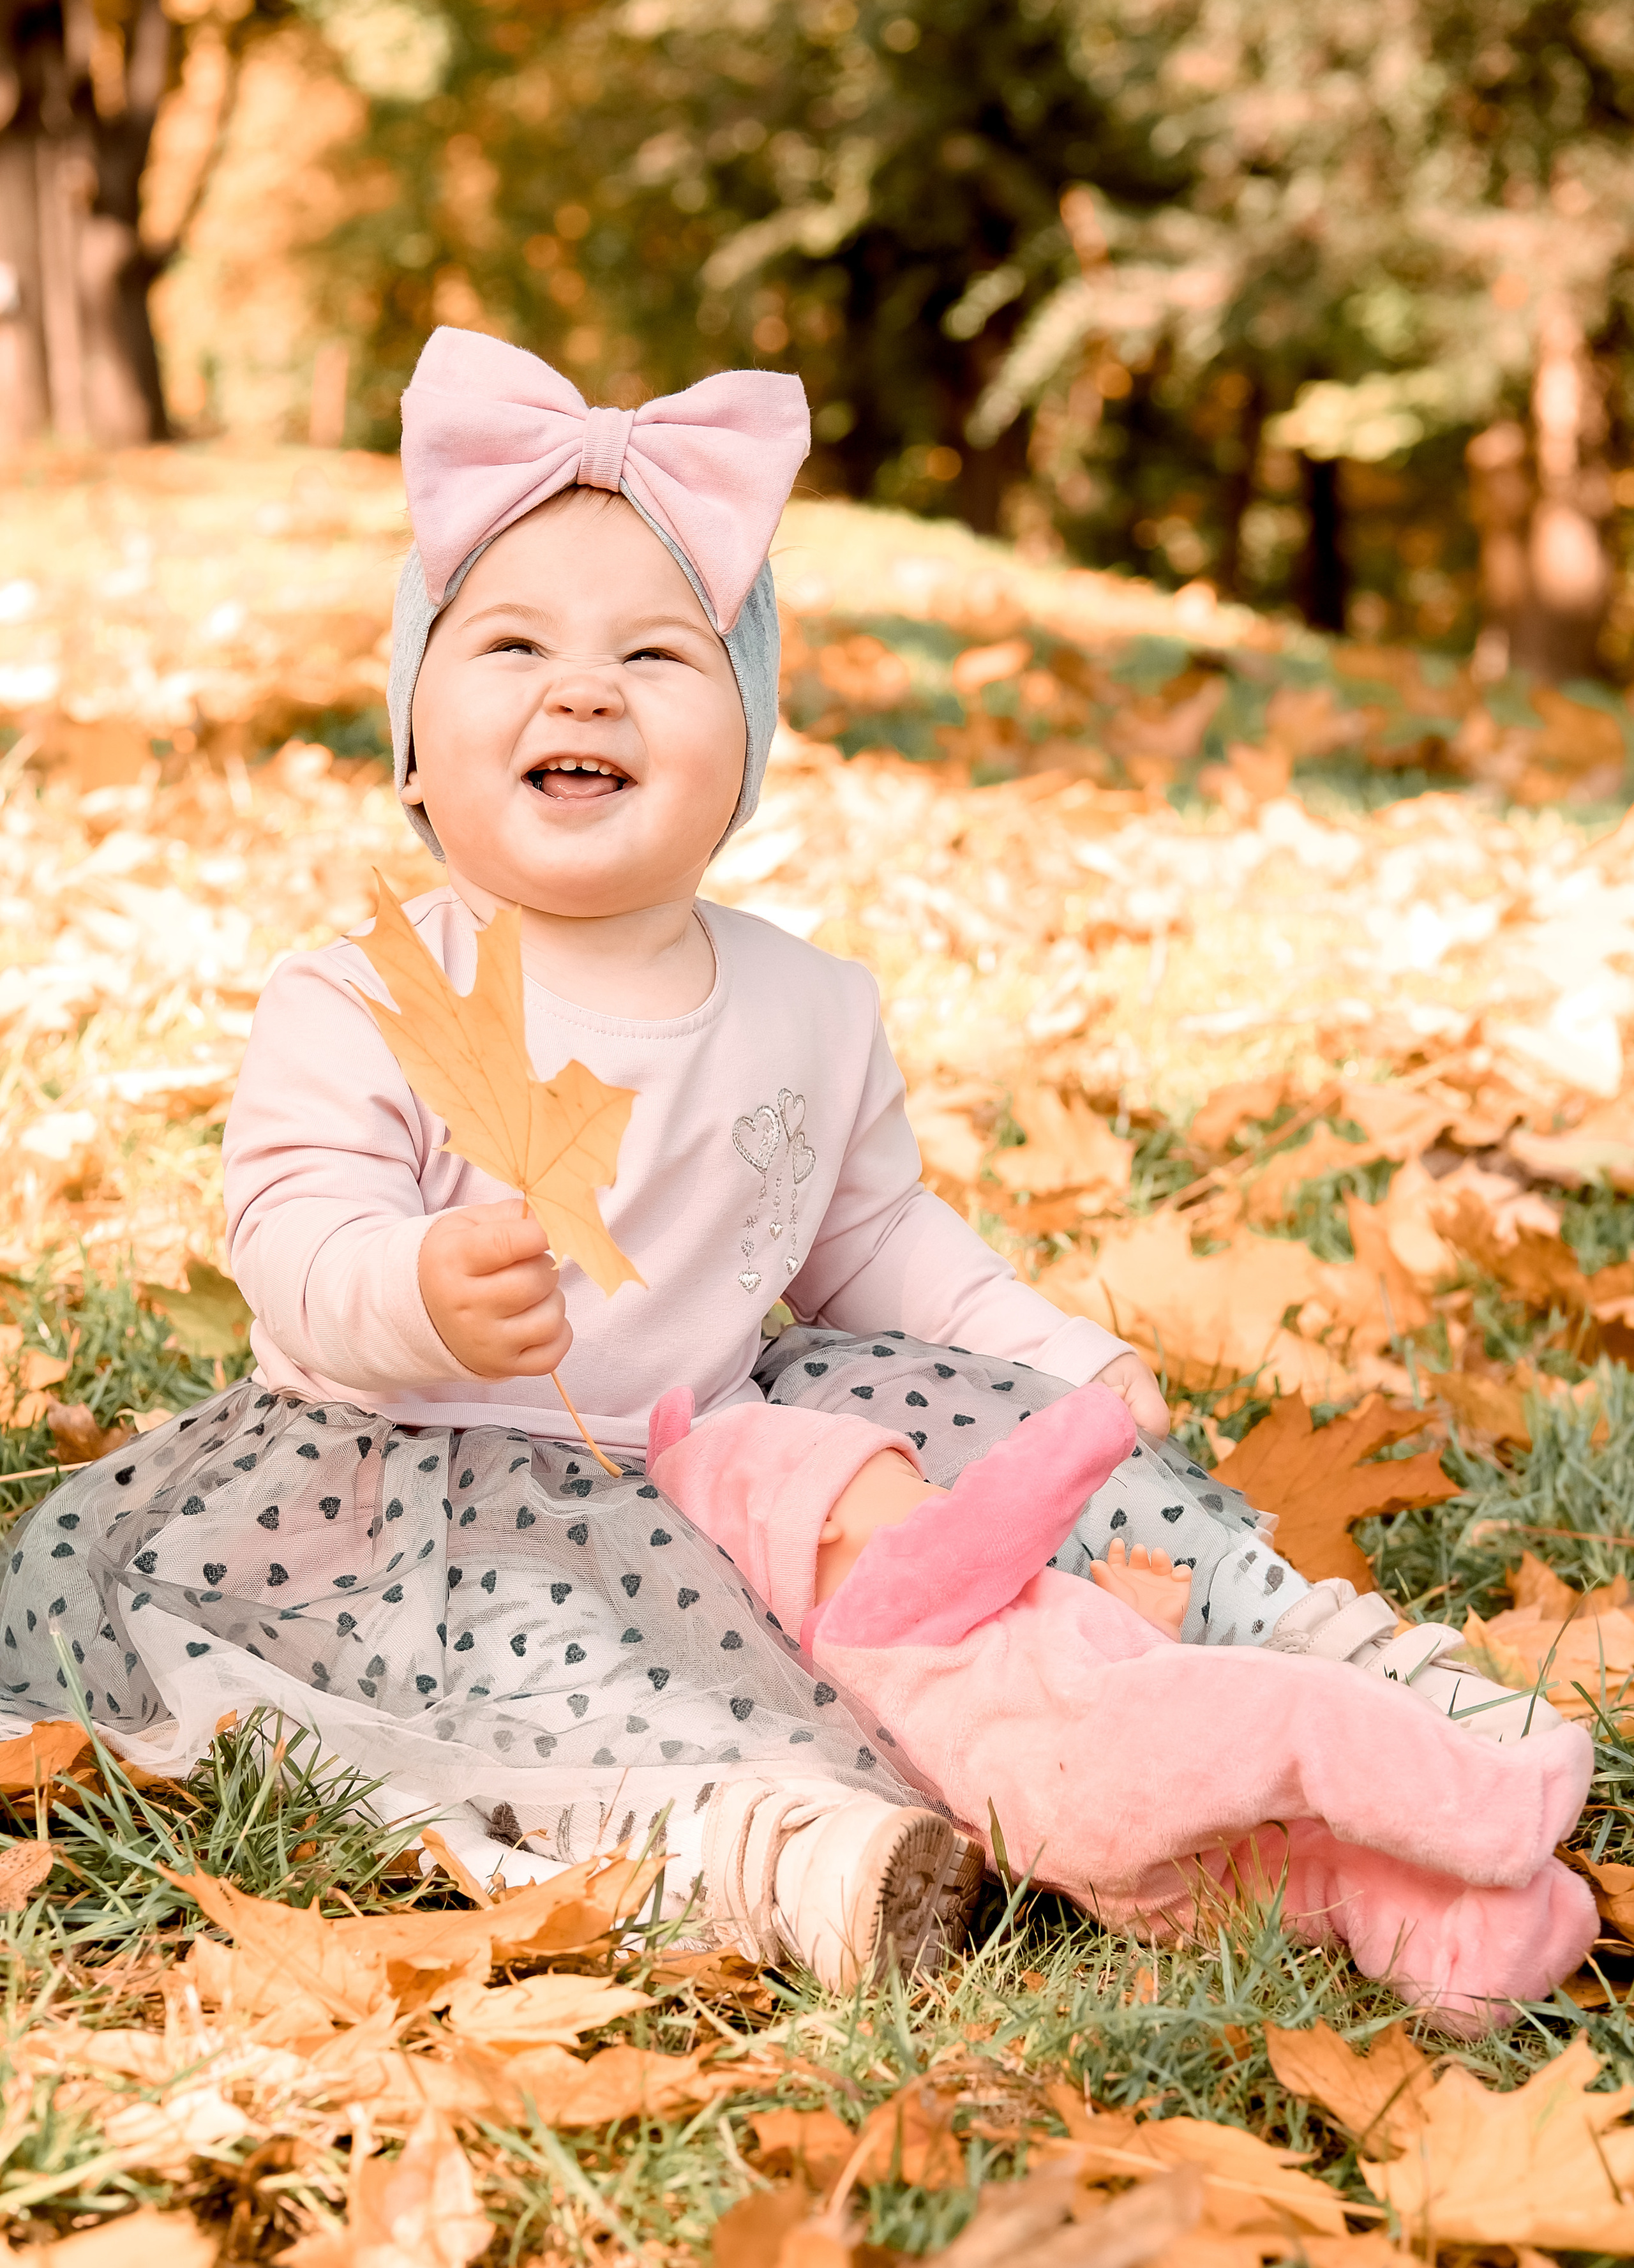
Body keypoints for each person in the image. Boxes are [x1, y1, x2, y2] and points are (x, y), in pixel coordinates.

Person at [0, 330, 1510, 1985]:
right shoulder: (361, 992)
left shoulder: (804, 1001)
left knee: (998, 1461)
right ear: (415, 747)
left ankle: (1305, 1647)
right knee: (508, 1680)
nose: (583, 689)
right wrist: (410, 1288)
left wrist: (1053, 1356)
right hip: (408, 1479)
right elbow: (291, 1228)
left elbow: (880, 1247)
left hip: (719, 1451)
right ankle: (763, 1852)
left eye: (658, 655)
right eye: (508, 645)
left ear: (746, 745)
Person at [647, 1381, 1597, 2029]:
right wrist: (1089, 1419)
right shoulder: (878, 1595)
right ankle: (1501, 1808)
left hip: (1094, 1867)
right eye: (908, 1478)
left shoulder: (877, 1665)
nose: (933, 1492)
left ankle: (1482, 1953)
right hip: (1106, 1750)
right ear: (824, 1518)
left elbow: (1021, 1693)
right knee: (1305, 1717)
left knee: (1310, 1871)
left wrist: (1141, 1624)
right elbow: (1003, 1512)